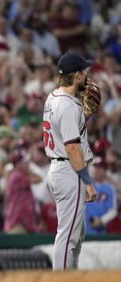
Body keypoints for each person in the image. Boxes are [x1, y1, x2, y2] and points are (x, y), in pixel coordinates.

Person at [42, 52, 96, 270]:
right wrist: (88, 181)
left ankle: (70, 275)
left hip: (61, 168)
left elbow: (68, 128)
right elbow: (72, 147)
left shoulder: (55, 96)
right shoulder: (66, 105)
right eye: (83, 72)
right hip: (69, 170)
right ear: (76, 76)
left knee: (76, 233)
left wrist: (86, 115)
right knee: (67, 236)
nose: (86, 75)